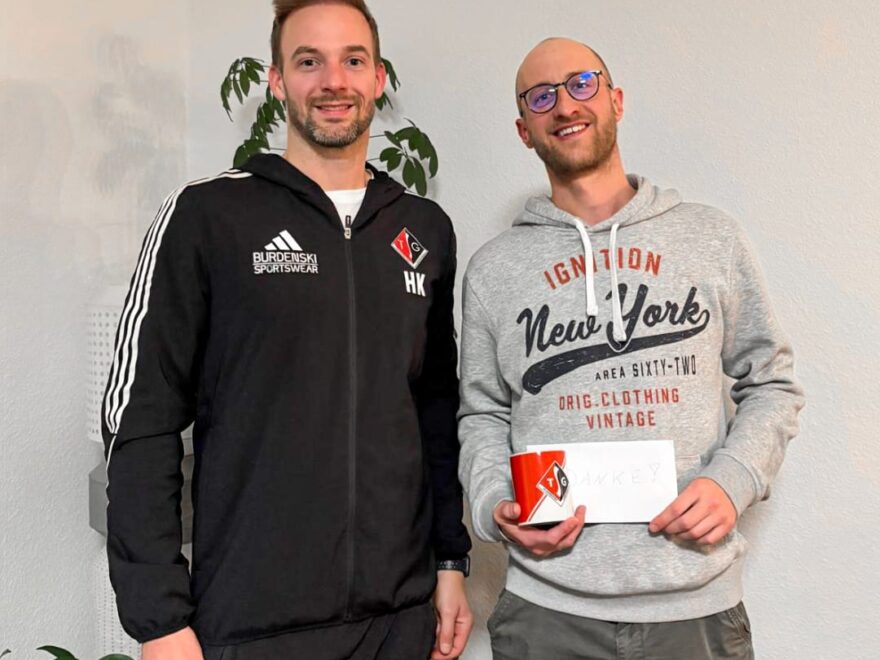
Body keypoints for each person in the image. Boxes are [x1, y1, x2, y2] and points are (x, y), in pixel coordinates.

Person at [101, 2, 472, 658]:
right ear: (276, 80)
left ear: (377, 77)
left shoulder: (424, 229)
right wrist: (158, 619)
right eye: (308, 61)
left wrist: (449, 561)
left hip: (400, 620)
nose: (333, 80)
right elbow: (140, 417)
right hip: (252, 627)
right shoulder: (208, 215)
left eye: (352, 59)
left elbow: (435, 410)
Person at [458, 37, 804, 660]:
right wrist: (491, 504)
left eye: (581, 84)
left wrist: (733, 480)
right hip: (547, 611)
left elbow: (771, 383)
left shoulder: (710, 238)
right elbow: (482, 412)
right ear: (523, 129)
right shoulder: (493, 270)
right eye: (541, 97)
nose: (565, 105)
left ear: (615, 100)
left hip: (695, 608)